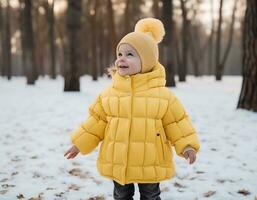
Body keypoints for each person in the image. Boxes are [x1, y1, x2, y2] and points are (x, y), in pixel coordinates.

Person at [64, 17, 200, 200]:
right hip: (119, 160)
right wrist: (79, 143)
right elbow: (96, 121)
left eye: (130, 54)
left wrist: (187, 146)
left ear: (147, 61)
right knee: (121, 196)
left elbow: (177, 122)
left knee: (150, 196)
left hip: (150, 160)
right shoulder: (109, 94)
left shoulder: (163, 95)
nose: (121, 59)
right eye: (120, 54)